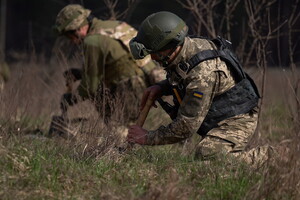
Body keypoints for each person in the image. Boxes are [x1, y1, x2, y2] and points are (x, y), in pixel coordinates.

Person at [127, 11, 271, 164]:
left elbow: (186, 126)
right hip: (218, 114)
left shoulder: (202, 74)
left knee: (208, 157)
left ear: (168, 46)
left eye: (154, 53)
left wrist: (147, 137)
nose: (153, 58)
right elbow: (182, 77)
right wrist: (161, 87)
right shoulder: (184, 48)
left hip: (237, 118)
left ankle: (272, 157)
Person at [52, 4, 161, 129]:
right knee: (123, 127)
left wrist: (72, 98)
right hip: (148, 82)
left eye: (69, 35)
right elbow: (116, 63)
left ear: (77, 29)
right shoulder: (114, 26)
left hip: (131, 87)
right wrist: (81, 73)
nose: (71, 40)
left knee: (119, 130)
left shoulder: (92, 41)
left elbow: (90, 86)